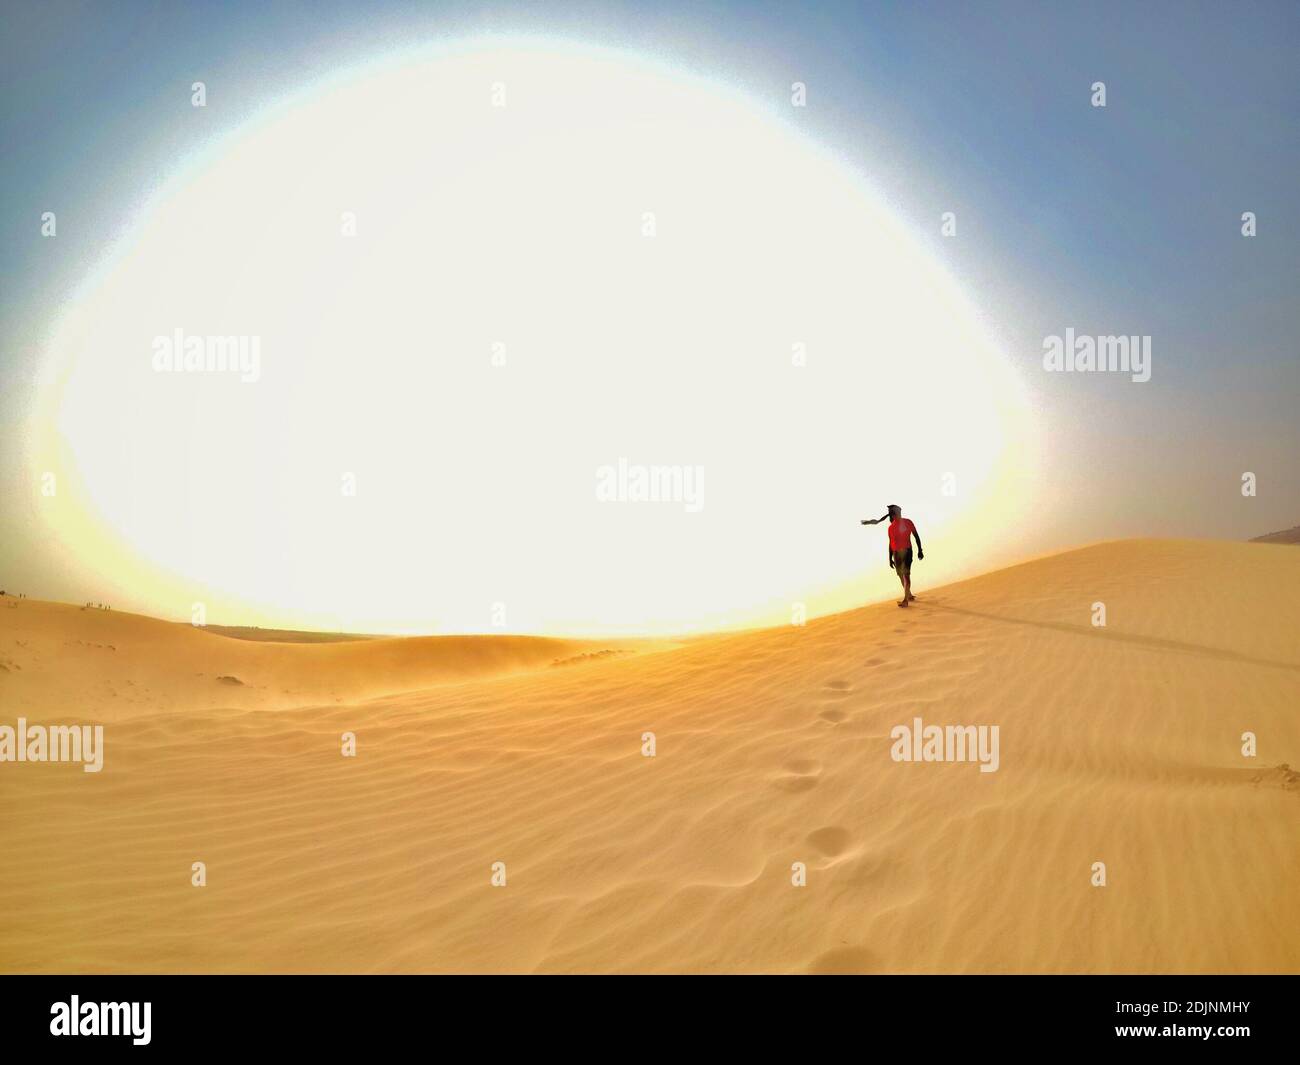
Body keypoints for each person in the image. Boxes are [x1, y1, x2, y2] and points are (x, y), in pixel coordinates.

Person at [861, 504, 923, 607]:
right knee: (900, 575)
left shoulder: (907, 522)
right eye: (892, 512)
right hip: (896, 553)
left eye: (894, 511)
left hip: (907, 551)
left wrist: (920, 550)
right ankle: (909, 595)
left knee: (906, 574)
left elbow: (916, 536)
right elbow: (891, 543)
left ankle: (905, 600)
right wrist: (890, 558)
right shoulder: (891, 527)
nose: (893, 514)